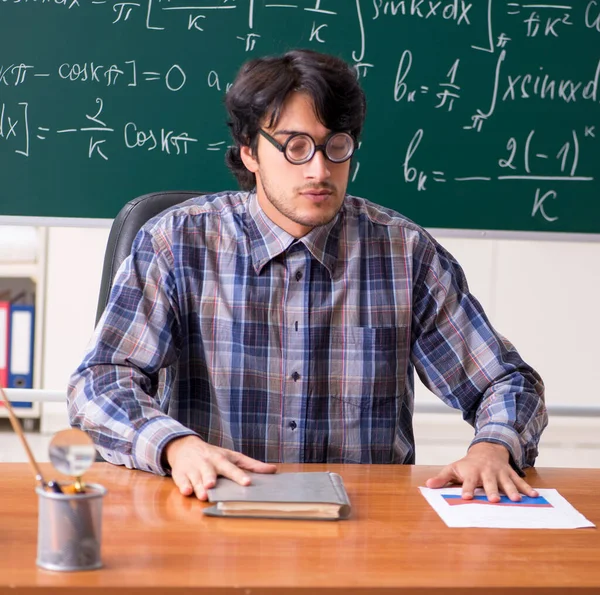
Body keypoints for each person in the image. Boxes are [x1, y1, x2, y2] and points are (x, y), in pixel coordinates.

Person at [67, 49, 547, 504]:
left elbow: (506, 383)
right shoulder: (177, 243)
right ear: (250, 152)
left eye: (335, 146)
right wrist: (174, 445)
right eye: (296, 147)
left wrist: (494, 447)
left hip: (364, 526)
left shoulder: (404, 254)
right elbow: (100, 383)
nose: (320, 169)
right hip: (210, 512)